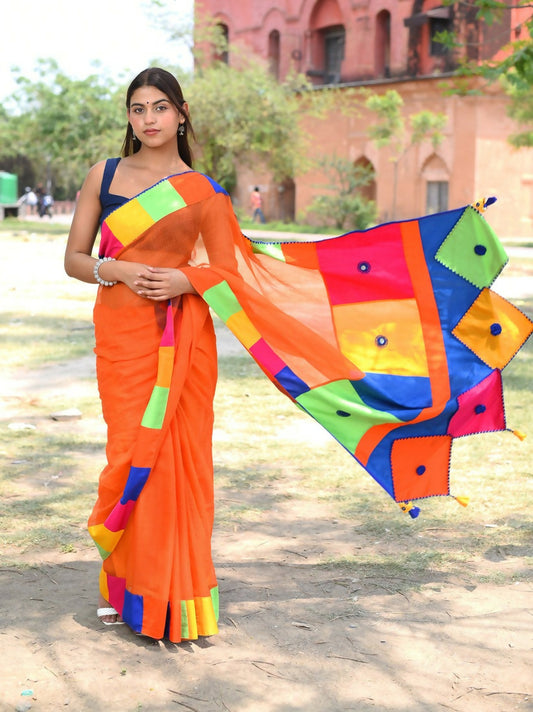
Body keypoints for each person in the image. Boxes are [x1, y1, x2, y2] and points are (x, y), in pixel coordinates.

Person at [65, 67, 244, 642]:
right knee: (129, 453)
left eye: (160, 108)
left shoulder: (202, 191)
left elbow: (228, 271)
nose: (149, 119)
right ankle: (127, 582)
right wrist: (110, 269)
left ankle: (167, 593)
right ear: (129, 117)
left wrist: (184, 282)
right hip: (121, 335)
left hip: (178, 336)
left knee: (173, 460)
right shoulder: (105, 175)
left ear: (182, 113)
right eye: (138, 109)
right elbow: (74, 257)